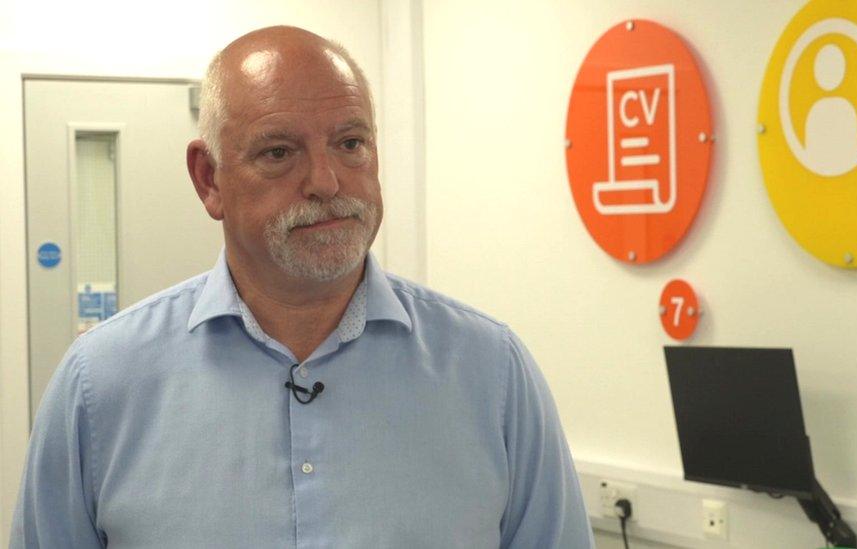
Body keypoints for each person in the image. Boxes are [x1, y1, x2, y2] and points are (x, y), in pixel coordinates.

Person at [10, 26, 594, 548]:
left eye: (350, 143)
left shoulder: (491, 373)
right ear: (208, 178)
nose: (326, 181)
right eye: (279, 152)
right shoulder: (102, 383)